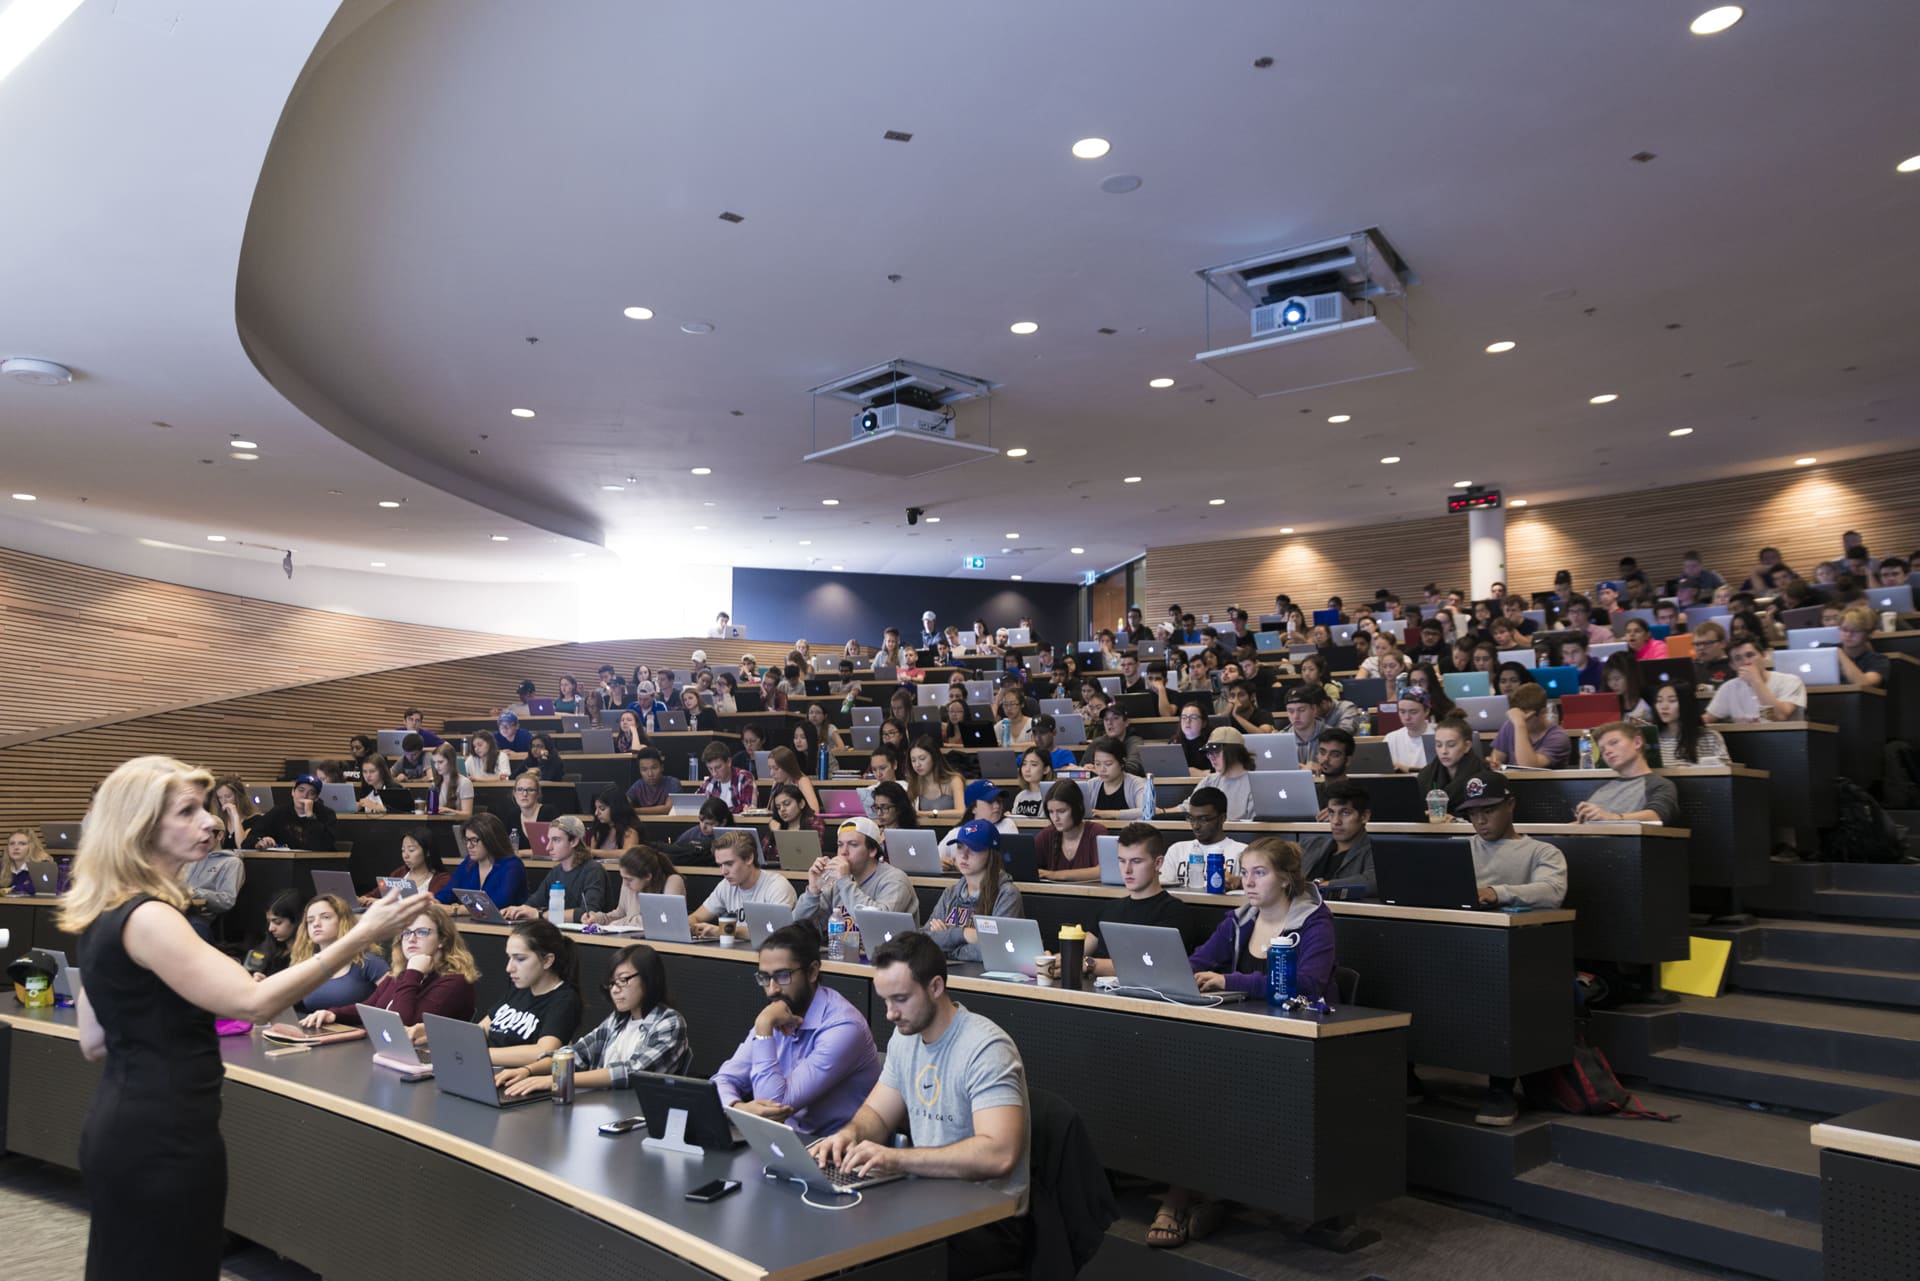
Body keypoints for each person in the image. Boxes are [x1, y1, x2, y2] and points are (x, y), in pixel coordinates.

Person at [62, 756, 433, 1281]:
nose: (210, 822)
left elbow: (94, 1040)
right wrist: (360, 935)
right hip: (167, 1137)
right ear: (139, 825)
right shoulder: (152, 917)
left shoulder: (105, 910)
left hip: (121, 1126)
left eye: (207, 810)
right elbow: (252, 1002)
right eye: (187, 812)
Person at [811, 933, 1031, 1279]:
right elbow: (878, 1113)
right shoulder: (905, 1036)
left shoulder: (986, 1048)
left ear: (936, 987)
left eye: (900, 999)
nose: (889, 1013)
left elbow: (999, 1155)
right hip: (928, 1199)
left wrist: (897, 1159)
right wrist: (848, 1135)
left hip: (988, 1223)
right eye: (884, 1000)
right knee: (831, 1234)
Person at [1443, 773, 1568, 1125]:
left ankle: (1500, 1086)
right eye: (1473, 814)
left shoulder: (1542, 852)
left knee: (1501, 985)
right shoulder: (1457, 847)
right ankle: (1407, 1072)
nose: (1480, 820)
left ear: (1511, 805)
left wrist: (1498, 893)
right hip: (1453, 946)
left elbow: (1552, 891)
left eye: (1490, 810)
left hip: (1509, 952)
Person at [713, 922, 883, 1136]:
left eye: (783, 976)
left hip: (838, 1154)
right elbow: (722, 1080)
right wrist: (738, 1108)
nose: (772, 989)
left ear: (812, 972)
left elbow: (776, 1107)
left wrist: (764, 1029)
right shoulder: (778, 1012)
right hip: (786, 1144)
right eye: (765, 978)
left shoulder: (844, 1027)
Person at [500, 944, 689, 1097]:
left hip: (638, 1112)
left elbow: (631, 1072)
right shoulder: (618, 1019)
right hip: (603, 1103)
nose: (615, 990)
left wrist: (558, 1080)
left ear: (649, 979)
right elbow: (577, 1054)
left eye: (623, 980)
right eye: (612, 983)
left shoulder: (669, 1022)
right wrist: (528, 1070)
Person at [297, 899, 479, 1032]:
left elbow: (403, 1025)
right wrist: (334, 1014)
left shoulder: (454, 982)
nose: (411, 939)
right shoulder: (400, 974)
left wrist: (413, 973)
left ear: (442, 939)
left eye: (422, 932)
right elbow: (369, 1008)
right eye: (406, 933)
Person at [1186, 838, 1334, 1000]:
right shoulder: (1238, 920)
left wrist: (1229, 981)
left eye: (1259, 873)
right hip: (1245, 1018)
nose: (1248, 883)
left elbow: (1307, 985)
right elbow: (1199, 961)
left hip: (1301, 1020)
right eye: (1244, 873)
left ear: (1285, 878)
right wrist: (1183, 973)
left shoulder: (1315, 924)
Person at [1081, 824, 1189, 978]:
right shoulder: (1108, 909)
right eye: (1122, 861)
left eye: (1136, 861)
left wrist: (1090, 965)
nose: (1127, 870)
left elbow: (1150, 965)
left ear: (1158, 863)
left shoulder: (1173, 912)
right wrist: (1058, 960)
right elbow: (1079, 952)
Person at [475, 917, 584, 1068]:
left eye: (520, 959)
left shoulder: (564, 1000)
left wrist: (480, 1053)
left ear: (547, 961)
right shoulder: (519, 988)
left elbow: (545, 1050)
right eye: (509, 958)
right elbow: (479, 1031)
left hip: (515, 1080)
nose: (509, 968)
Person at [922, 821, 1025, 962]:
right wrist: (964, 934)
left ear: (990, 853)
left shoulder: (1007, 895)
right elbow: (924, 939)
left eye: (973, 848)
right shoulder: (950, 893)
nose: (964, 855)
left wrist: (946, 945)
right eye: (959, 847)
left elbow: (997, 948)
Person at [794, 816, 918, 924]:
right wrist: (813, 891)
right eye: (840, 845)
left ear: (872, 850)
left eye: (853, 844)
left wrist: (845, 881)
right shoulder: (836, 881)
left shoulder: (895, 880)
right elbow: (796, 925)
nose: (843, 852)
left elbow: (877, 923)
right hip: (842, 949)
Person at [288, 894, 390, 1014]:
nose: (316, 924)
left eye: (325, 917)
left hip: (361, 1030)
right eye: (310, 921)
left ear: (343, 921)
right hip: (316, 1031)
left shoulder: (369, 961)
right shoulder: (305, 963)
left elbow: (393, 999)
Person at [685, 830, 797, 937]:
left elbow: (776, 933)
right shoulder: (725, 885)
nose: (723, 872)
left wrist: (724, 931)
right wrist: (692, 927)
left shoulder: (777, 886)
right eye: (720, 865)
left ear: (749, 858)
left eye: (729, 864)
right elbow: (695, 917)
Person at [503, 815, 607, 922]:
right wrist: (516, 910)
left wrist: (540, 915)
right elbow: (534, 902)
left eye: (556, 840)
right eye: (549, 840)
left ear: (574, 841)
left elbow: (588, 913)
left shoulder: (593, 870)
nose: (548, 847)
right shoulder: (556, 871)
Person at [1574, 723, 1681, 824]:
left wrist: (1612, 818)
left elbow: (1656, 816)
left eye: (1614, 742)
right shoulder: (1600, 787)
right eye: (1602, 749)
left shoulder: (1659, 785)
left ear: (1637, 742)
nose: (1607, 751)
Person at [435, 811, 528, 910]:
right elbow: (448, 892)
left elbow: (498, 903)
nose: (469, 846)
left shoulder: (512, 865)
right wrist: (435, 902)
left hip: (507, 924)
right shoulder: (468, 863)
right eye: (467, 840)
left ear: (491, 839)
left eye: (474, 840)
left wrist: (458, 910)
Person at [1704, 636, 1807, 723]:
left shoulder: (1790, 681)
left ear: (1764, 656)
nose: (1746, 662)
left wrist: (1756, 681)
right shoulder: (1728, 688)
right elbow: (1708, 718)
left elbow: (1780, 717)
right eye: (1738, 658)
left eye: (1750, 655)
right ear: (1733, 666)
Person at [1161, 786, 1245, 889]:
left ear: (1222, 818)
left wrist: (1238, 882)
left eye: (1204, 819)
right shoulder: (1177, 850)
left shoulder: (1242, 852)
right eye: (1191, 818)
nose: (1196, 825)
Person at [583, 845, 686, 928]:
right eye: (623, 878)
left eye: (629, 879)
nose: (625, 883)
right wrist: (597, 918)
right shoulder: (630, 884)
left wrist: (620, 923)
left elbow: (663, 919)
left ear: (647, 876)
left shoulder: (673, 881)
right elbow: (620, 913)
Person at [1299, 781, 1377, 892]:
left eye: (1345, 813)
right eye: (1331, 812)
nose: (1336, 821)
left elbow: (1373, 881)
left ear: (1364, 816)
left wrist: (1323, 886)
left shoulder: (1374, 852)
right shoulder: (1309, 844)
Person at [1416, 713, 1492, 817]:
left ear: (1467, 746)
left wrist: (1455, 819)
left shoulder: (1483, 776)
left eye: (1451, 745)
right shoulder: (1426, 774)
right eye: (1438, 745)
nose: (1444, 751)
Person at [1035, 779, 1105, 882]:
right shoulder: (1046, 834)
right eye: (1051, 812)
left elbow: (1102, 871)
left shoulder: (1096, 832)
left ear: (1078, 807)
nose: (1055, 818)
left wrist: (1054, 875)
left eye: (1061, 811)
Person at [1488, 684, 1571, 769]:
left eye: (1525, 718)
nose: (1520, 720)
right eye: (1517, 716)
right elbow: (1497, 758)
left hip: (1544, 782)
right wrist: (1495, 763)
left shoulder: (1558, 737)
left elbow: (1528, 767)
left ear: (1543, 712)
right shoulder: (1510, 725)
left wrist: (1520, 724)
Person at [358, 828, 450, 904]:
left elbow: (428, 905)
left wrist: (380, 902)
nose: (405, 855)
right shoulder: (400, 872)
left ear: (428, 852)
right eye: (403, 850)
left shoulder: (441, 879)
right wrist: (362, 899)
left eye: (411, 850)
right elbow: (375, 894)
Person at [250, 774, 337, 851]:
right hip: (283, 863)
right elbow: (250, 838)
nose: (304, 796)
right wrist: (260, 842)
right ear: (293, 792)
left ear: (316, 798)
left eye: (311, 793)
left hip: (316, 863)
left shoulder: (327, 814)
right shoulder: (279, 812)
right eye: (301, 790)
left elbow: (324, 846)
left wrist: (310, 817)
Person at [1653, 683, 1730, 766]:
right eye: (1659, 701)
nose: (1663, 706)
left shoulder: (1710, 737)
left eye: (1672, 700)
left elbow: (1726, 770)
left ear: (1686, 704)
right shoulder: (1652, 739)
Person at [1191, 727, 1256, 821]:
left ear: (1233, 752)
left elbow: (1254, 823)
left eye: (1216, 752)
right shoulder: (1209, 781)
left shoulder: (1254, 784)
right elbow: (1188, 807)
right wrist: (1163, 812)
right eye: (1209, 753)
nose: (1211, 757)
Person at [1087, 735, 1156, 819]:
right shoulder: (1091, 785)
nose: (1102, 769)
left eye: (1108, 764)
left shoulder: (1138, 783)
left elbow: (1147, 811)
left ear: (1122, 763)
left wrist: (1108, 814)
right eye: (1097, 764)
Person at [243, 888, 303, 980]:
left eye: (278, 922)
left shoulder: (311, 956)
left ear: (297, 920)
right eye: (269, 922)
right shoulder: (268, 947)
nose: (270, 928)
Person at [905, 736, 967, 820]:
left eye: (922, 759)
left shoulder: (954, 780)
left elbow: (961, 812)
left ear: (934, 757)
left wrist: (928, 814)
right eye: (913, 760)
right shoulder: (914, 783)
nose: (917, 764)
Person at [1836, 606, 1890, 690]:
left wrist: (1840, 654)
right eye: (1844, 629)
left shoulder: (1878, 660)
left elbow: (1864, 684)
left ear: (1869, 633)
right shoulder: (1825, 650)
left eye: (1855, 630)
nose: (1848, 635)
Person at [698, 740, 759, 812]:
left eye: (718, 767)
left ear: (729, 762)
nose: (714, 773)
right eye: (710, 769)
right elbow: (695, 806)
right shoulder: (709, 782)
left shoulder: (743, 778)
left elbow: (748, 808)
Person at [503, 773, 558, 850]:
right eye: (520, 789)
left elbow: (556, 847)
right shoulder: (512, 815)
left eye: (530, 790)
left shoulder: (548, 812)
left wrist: (522, 853)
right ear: (514, 793)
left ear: (538, 794)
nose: (524, 794)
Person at [209, 778, 266, 849]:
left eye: (228, 796)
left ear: (239, 797)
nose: (224, 801)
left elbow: (242, 846)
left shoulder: (255, 820)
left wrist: (235, 816)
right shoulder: (219, 821)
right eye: (220, 797)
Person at [1385, 691, 1435, 770]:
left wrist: (1406, 769)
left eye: (1413, 712)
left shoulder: (1437, 736)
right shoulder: (1391, 738)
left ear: (1427, 711)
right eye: (1402, 712)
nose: (1407, 717)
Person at [1601, 651, 1655, 723]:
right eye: (1608, 680)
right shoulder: (1610, 705)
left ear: (1630, 676)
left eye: (1617, 679)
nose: (1612, 684)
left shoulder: (1648, 698)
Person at [588, 787, 645, 853]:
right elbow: (591, 856)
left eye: (602, 808)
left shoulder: (630, 831)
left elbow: (627, 854)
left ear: (616, 808)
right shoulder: (599, 830)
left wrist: (594, 852)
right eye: (596, 808)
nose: (596, 813)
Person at [624, 746, 678, 815]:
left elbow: (668, 809)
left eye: (654, 768)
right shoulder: (638, 785)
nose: (650, 774)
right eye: (644, 770)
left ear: (662, 767)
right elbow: (623, 805)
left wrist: (633, 811)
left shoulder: (672, 783)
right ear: (639, 771)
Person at [427, 743, 474, 819]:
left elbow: (467, 814)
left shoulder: (464, 783)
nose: (436, 766)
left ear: (451, 761)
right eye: (435, 762)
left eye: (440, 762)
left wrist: (448, 810)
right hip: (437, 823)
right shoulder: (435, 783)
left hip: (456, 825)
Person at [1282, 685, 1324, 763]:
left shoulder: (1331, 736)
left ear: (1314, 709)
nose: (1295, 716)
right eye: (1291, 711)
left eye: (1301, 710)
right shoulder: (1280, 739)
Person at [1009, 748, 1054, 818]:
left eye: (1033, 764)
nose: (1027, 769)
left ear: (1046, 769)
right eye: (1024, 764)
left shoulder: (1051, 796)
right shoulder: (1020, 796)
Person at [1692, 620, 1737, 689]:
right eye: (1697, 644)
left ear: (1722, 643)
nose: (1701, 648)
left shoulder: (1733, 667)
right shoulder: (1692, 667)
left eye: (1708, 643)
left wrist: (1710, 688)